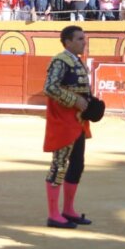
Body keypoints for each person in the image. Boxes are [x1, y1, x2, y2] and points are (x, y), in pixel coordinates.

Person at [42, 25, 96, 228]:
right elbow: (49, 88)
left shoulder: (77, 61)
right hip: (63, 121)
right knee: (59, 165)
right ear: (68, 42)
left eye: (84, 38)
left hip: (78, 121)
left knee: (77, 164)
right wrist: (75, 100)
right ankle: (53, 214)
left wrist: (89, 102)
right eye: (80, 38)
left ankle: (68, 210)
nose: (84, 41)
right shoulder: (60, 61)